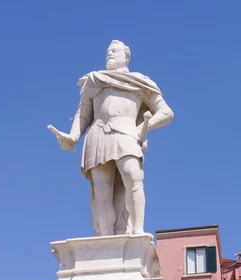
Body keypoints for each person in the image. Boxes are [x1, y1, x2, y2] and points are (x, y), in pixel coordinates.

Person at [48, 40, 173, 236]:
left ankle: (137, 230)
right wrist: (73, 137)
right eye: (108, 52)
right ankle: (104, 237)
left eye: (114, 51)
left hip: (126, 132)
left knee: (134, 178)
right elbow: (83, 112)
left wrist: (142, 128)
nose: (110, 55)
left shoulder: (140, 82)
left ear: (127, 55)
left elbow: (166, 112)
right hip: (98, 135)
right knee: (101, 190)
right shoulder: (95, 80)